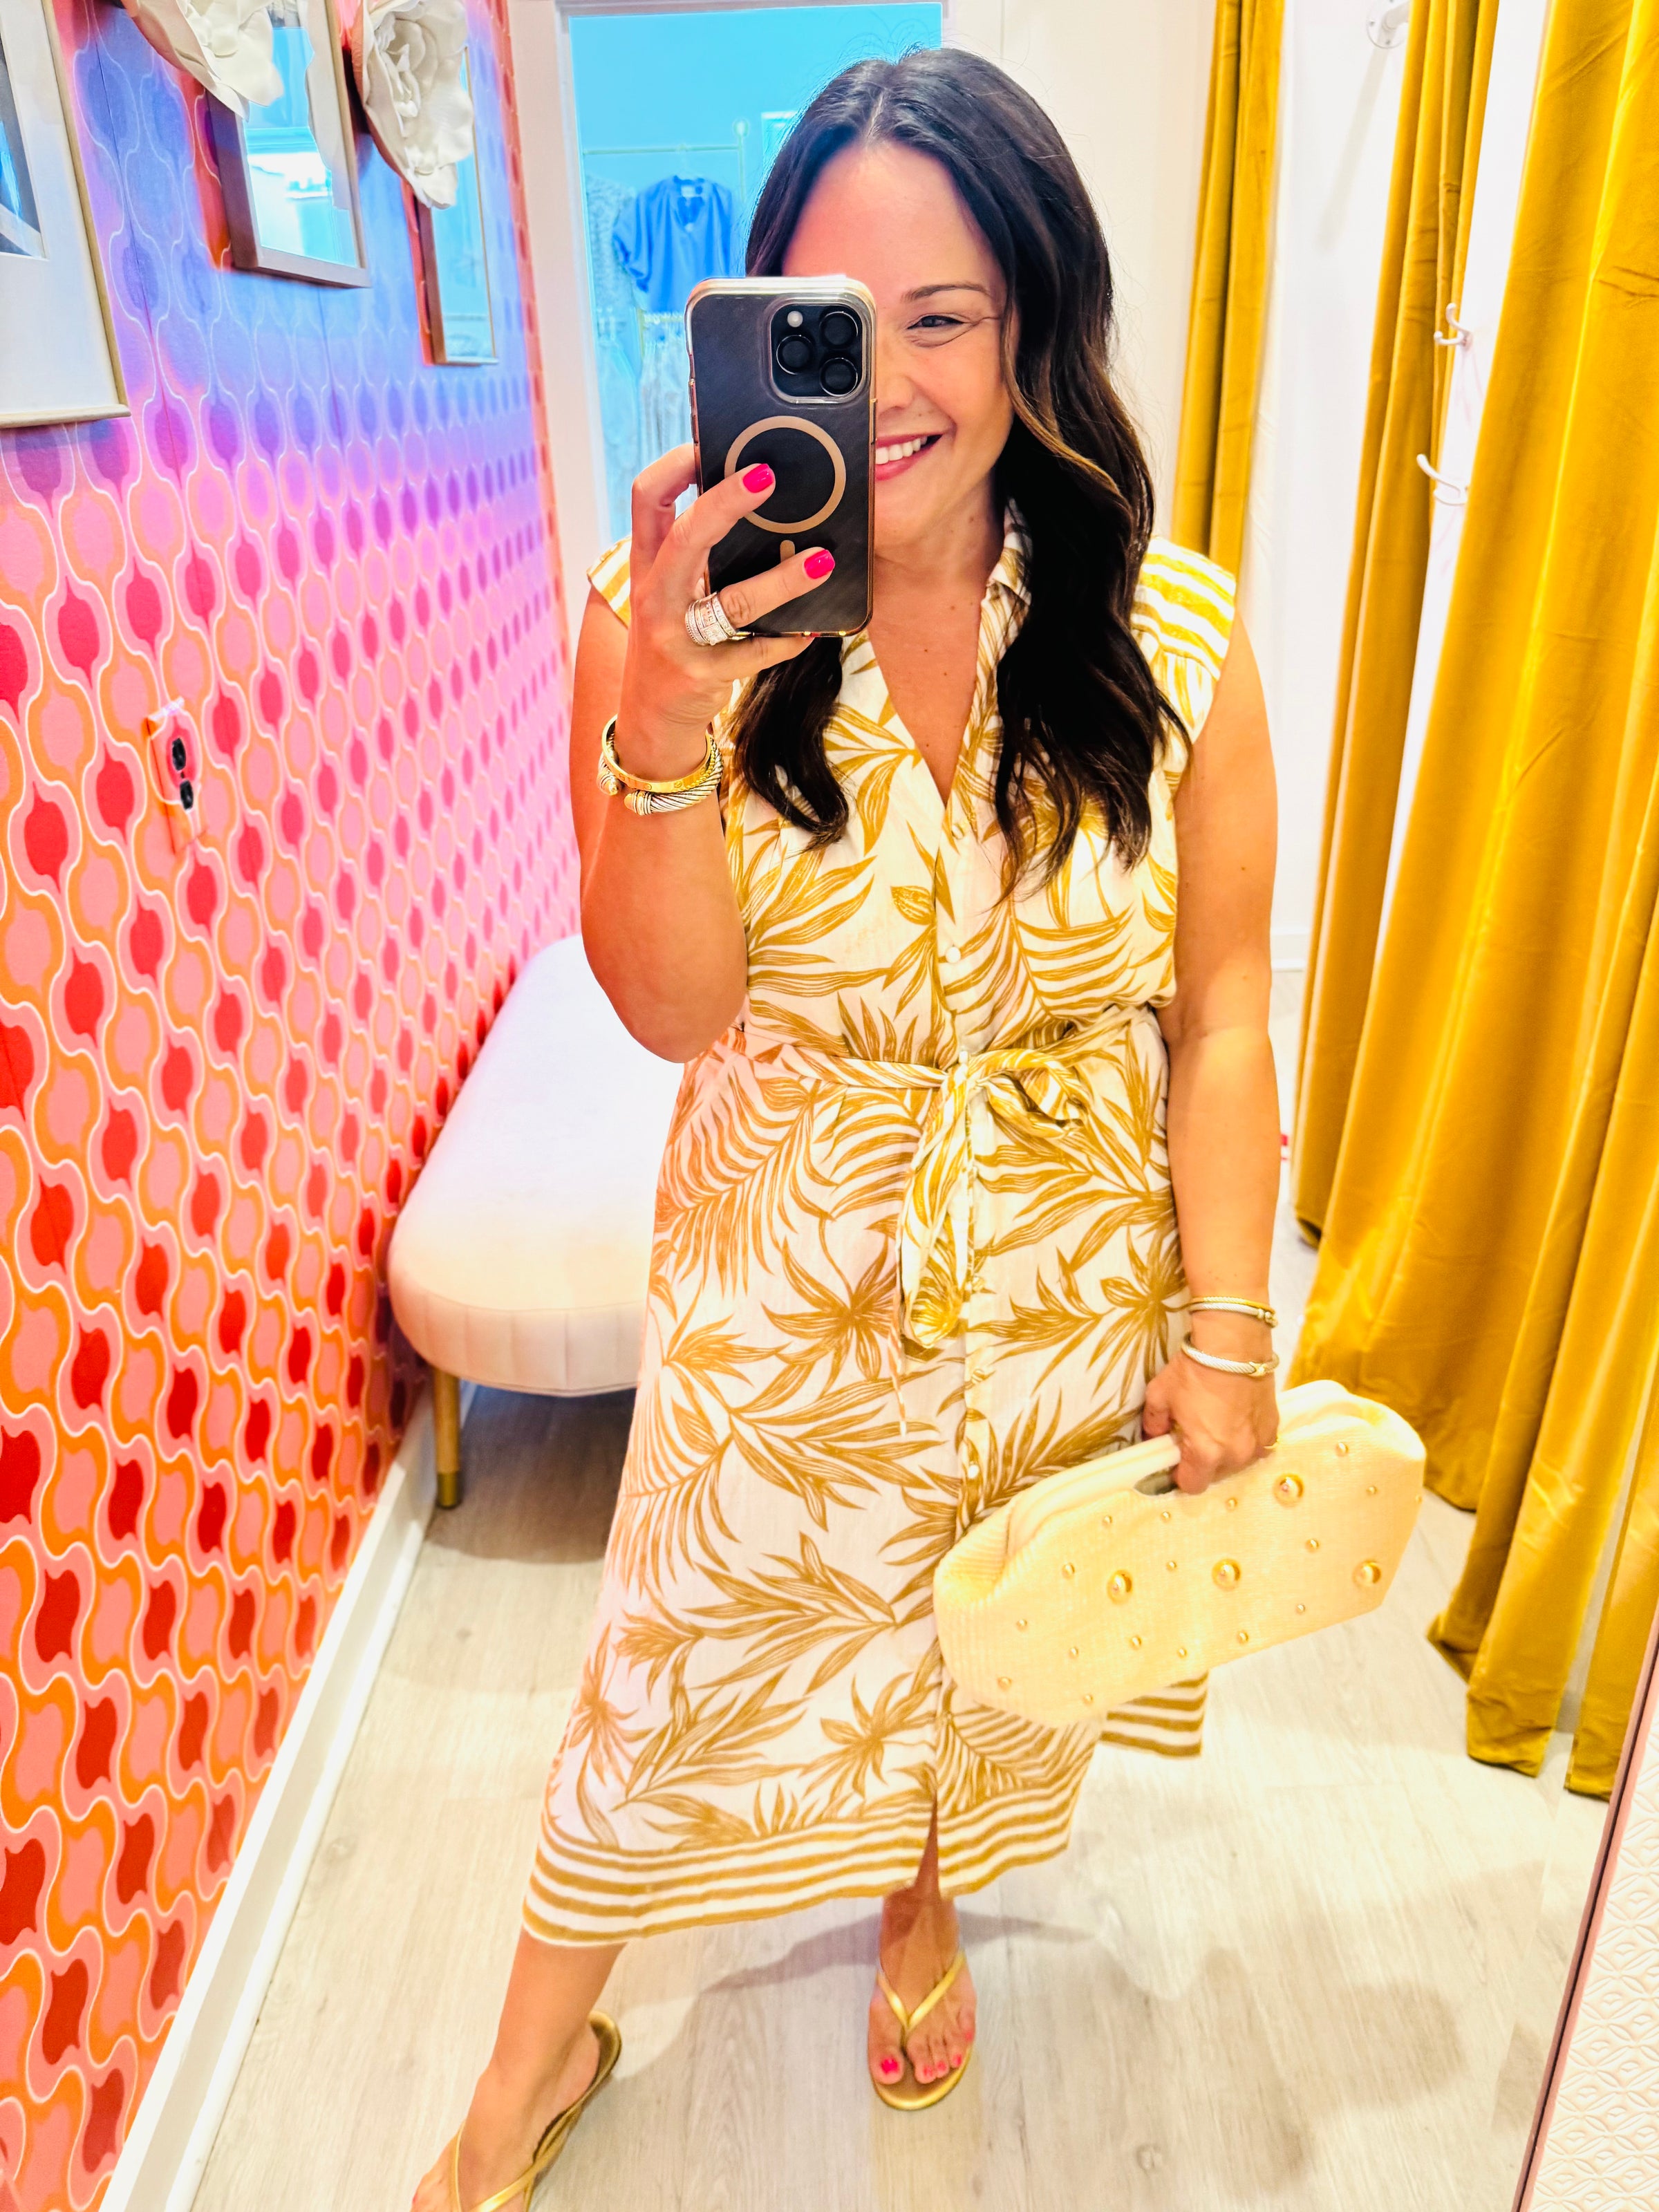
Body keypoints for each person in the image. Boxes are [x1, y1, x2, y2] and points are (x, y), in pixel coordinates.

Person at [415, 45, 1280, 2212]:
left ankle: (920, 1909)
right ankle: (523, 2073)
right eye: (829, 323)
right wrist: (667, 712)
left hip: (1064, 1295)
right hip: (787, 1306)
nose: (888, 384)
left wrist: (1231, 1322)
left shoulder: (1173, 639)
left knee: (983, 1655)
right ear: (753, 335)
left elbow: (1222, 1014)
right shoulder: (664, 621)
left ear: (1032, 327)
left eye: (944, 319)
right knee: (656, 1691)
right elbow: (671, 1008)